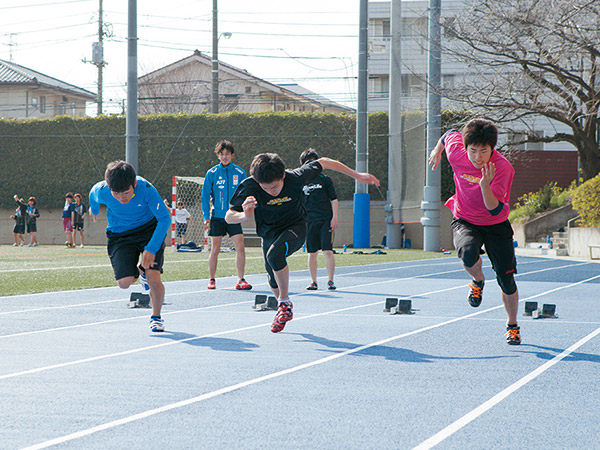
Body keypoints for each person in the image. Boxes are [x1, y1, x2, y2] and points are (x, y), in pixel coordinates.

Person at [225, 152, 379, 333]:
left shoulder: (296, 177)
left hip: (296, 227)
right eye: (265, 188)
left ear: (282, 176)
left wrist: (358, 175)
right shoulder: (249, 186)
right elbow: (229, 217)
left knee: (275, 254)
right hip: (269, 233)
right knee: (271, 272)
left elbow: (325, 162)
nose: (270, 192)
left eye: (274, 187)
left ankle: (283, 303)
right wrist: (245, 215)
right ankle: (285, 307)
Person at [428, 118, 521, 345]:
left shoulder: (503, 168)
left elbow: (494, 208)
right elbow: (448, 134)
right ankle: (478, 281)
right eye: (473, 151)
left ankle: (512, 325)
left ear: (492, 149)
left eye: (484, 151)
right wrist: (436, 151)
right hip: (465, 219)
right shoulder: (457, 152)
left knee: (506, 279)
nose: (478, 158)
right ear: (465, 147)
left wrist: (485, 186)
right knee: (468, 254)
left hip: (495, 224)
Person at [89, 160, 171, 332]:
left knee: (154, 279)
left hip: (149, 229)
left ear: (134, 184)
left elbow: (164, 219)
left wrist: (151, 248)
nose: (122, 198)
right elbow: (92, 195)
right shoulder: (102, 191)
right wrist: (94, 209)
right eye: (116, 194)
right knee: (124, 283)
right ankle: (141, 271)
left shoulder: (146, 189)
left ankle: (156, 318)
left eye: (126, 192)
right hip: (120, 234)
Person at [201, 140, 252, 290]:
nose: (224, 157)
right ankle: (211, 279)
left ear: (232, 155)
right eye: (221, 154)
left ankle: (241, 279)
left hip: (234, 217)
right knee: (215, 249)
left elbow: (247, 193)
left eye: (227, 154)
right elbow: (204, 197)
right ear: (217, 155)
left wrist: (245, 211)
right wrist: (206, 217)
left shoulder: (240, 172)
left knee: (240, 247)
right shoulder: (211, 173)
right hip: (217, 217)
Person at [299, 149, 339, 291]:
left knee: (327, 250)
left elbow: (333, 199)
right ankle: (313, 281)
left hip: (325, 220)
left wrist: (334, 217)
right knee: (312, 252)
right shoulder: (300, 181)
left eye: (313, 161)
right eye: (308, 162)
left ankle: (330, 280)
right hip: (309, 221)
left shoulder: (325, 179)